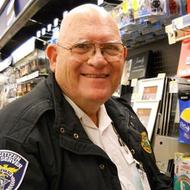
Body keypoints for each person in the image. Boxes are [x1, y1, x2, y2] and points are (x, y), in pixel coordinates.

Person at [0, 4, 172, 190]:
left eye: (110, 48)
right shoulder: (18, 137)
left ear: (122, 56)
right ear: (54, 58)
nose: (98, 60)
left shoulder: (124, 113)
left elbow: (154, 179)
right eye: (82, 47)